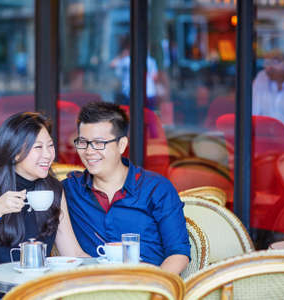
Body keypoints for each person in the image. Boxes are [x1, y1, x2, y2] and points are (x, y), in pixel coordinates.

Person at [0, 112, 88, 297]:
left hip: (33, 293)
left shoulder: (53, 189)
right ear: (14, 152)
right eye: (38, 147)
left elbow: (73, 252)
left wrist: (111, 270)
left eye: (50, 146)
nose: (48, 155)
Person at [63, 102, 190, 274]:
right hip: (92, 288)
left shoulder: (156, 189)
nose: (89, 151)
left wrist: (154, 291)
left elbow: (178, 253)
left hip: (148, 287)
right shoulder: (70, 190)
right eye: (83, 142)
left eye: (99, 143)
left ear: (122, 145)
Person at [110, 35, 158, 109]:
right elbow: (154, 77)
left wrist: (122, 55)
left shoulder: (127, 60)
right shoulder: (150, 60)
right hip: (149, 93)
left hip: (130, 94)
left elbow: (112, 64)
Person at [252, 50, 284, 136]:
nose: (268, 67)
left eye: (274, 62)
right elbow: (252, 114)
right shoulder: (261, 78)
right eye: (266, 62)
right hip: (264, 140)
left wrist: (273, 130)